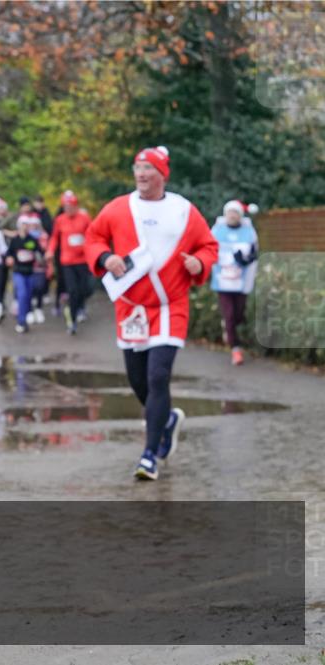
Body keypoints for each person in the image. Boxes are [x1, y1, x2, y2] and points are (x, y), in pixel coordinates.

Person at [84, 146, 218, 481]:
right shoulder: (118, 207)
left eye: (149, 168)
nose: (142, 174)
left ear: (162, 174)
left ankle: (149, 455)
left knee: (158, 376)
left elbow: (209, 245)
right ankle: (167, 420)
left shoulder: (183, 210)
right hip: (131, 308)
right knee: (138, 379)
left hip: (171, 305)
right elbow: (94, 237)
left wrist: (199, 263)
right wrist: (104, 259)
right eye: (138, 168)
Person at [211, 200, 259, 366]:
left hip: (241, 281)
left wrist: (244, 260)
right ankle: (235, 350)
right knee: (229, 315)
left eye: (236, 213)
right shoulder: (217, 231)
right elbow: (208, 251)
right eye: (230, 212)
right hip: (222, 281)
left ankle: (231, 328)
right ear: (225, 215)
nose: (232, 216)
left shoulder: (249, 232)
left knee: (238, 314)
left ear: (240, 215)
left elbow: (254, 254)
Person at [47, 190, 93, 335]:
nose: (68, 209)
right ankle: (72, 320)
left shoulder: (84, 218)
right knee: (72, 290)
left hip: (83, 260)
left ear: (76, 205)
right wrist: (50, 250)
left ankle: (80, 307)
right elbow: (54, 237)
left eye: (71, 206)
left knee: (84, 288)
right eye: (66, 207)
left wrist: (90, 249)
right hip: (67, 261)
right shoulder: (60, 220)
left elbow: (92, 235)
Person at [6, 216, 45, 333]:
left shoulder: (32, 239)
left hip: (30, 272)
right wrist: (9, 259)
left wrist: (41, 258)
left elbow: (40, 253)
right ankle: (21, 321)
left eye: (27, 224)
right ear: (19, 225)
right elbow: (9, 253)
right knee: (22, 294)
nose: (25, 226)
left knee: (28, 296)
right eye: (23, 224)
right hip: (18, 272)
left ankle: (26, 316)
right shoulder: (15, 240)